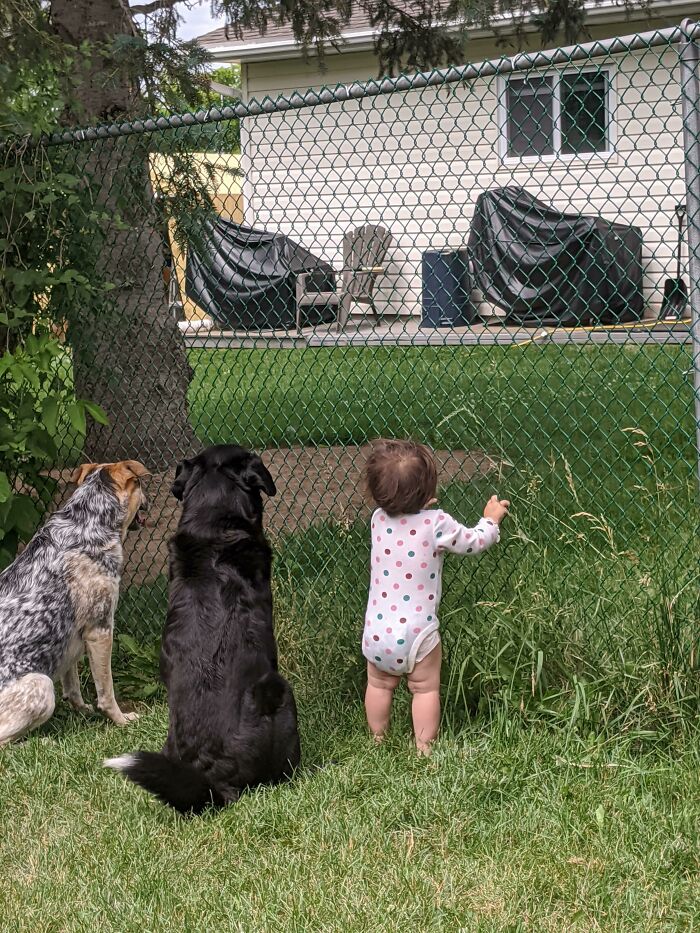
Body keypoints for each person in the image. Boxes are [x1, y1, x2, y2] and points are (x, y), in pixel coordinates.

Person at [362, 438, 509, 754]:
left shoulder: (377, 520)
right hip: (418, 632)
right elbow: (474, 541)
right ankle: (424, 749)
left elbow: (399, 514)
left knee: (378, 685)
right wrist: (491, 520)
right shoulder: (435, 523)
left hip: (377, 632)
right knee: (425, 689)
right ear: (429, 493)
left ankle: (377, 740)